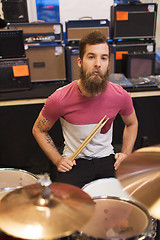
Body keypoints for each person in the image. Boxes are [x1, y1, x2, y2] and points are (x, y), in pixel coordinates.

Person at [32, 30, 138, 188]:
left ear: (108, 63)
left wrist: (126, 153)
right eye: (91, 57)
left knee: (127, 198)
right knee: (63, 204)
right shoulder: (60, 98)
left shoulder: (119, 95)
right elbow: (38, 129)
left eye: (104, 58)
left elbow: (132, 124)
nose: (98, 64)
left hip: (107, 159)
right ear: (80, 62)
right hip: (74, 161)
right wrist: (57, 160)